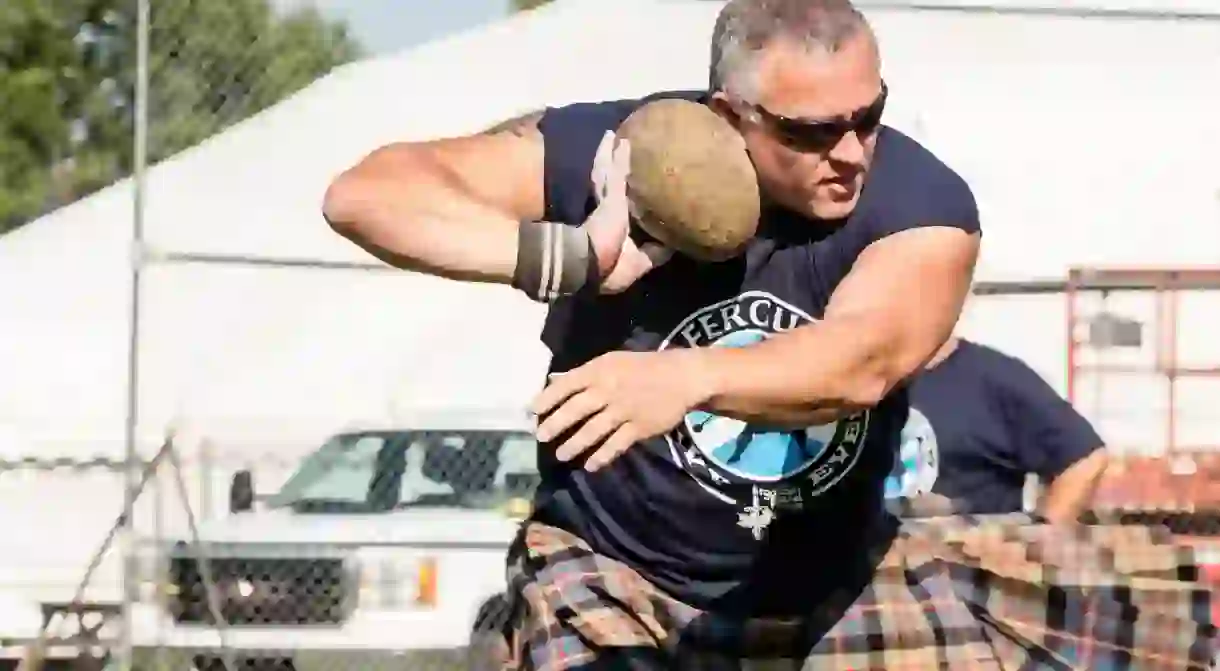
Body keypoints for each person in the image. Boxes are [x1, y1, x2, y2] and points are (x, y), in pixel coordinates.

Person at [323, 0, 1214, 667]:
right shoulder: (626, 153)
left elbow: (860, 360)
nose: (853, 150)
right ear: (730, 113)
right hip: (611, 570)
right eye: (813, 130)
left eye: (869, 114)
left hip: (831, 585)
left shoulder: (920, 201)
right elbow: (367, 195)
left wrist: (685, 379)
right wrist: (568, 258)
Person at [886, 337, 1109, 522]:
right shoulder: (860, 381)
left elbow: (1085, 460)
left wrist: (1037, 545)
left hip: (959, 568)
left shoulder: (994, 378)